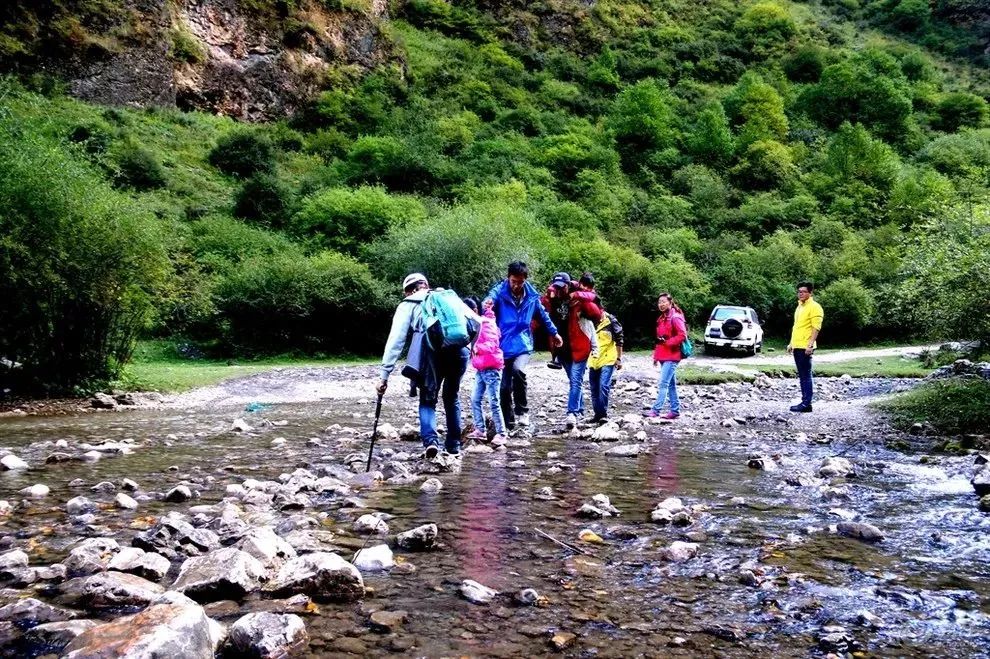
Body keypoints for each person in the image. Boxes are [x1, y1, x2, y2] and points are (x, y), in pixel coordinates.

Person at [377, 273, 473, 459]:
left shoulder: (409, 304)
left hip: (432, 352)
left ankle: (431, 442)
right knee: (451, 397)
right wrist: (470, 349)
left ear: (408, 290)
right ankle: (453, 446)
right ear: (426, 285)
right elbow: (475, 322)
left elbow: (396, 340)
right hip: (461, 350)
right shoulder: (448, 297)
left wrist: (384, 375)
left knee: (428, 400)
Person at [483, 261, 562, 430]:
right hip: (502, 345)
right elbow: (490, 299)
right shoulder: (499, 293)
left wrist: (554, 333)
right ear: (508, 278)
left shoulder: (532, 297)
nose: (517, 286)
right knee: (504, 387)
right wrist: (487, 303)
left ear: (525, 280)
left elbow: (543, 315)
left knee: (519, 371)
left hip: (523, 342)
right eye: (513, 281)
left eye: (520, 282)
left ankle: (522, 411)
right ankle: (508, 422)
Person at [543, 273, 603, 429]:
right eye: (556, 286)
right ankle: (580, 409)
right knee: (573, 381)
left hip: (579, 346)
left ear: (568, 285)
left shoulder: (579, 297)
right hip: (561, 348)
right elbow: (540, 309)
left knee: (576, 381)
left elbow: (597, 312)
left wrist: (576, 296)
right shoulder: (551, 296)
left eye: (562, 286)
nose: (559, 289)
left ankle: (572, 413)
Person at [463, 298, 507, 443]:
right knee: (475, 399)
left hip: (492, 367)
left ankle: (502, 433)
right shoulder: (476, 323)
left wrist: (477, 348)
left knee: (494, 401)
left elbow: (492, 344)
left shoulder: (486, 324)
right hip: (480, 368)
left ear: (474, 311)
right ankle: (480, 430)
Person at [645, 292, 687, 419]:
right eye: (659, 302)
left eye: (663, 301)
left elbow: (682, 335)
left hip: (673, 356)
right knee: (671, 384)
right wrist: (656, 357)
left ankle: (655, 410)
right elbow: (659, 340)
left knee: (663, 384)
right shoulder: (661, 318)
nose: (661, 304)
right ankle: (675, 410)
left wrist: (668, 343)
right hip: (663, 355)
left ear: (670, 302)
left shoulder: (676, 317)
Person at [787, 281, 824, 413]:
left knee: (805, 375)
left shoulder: (815, 307)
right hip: (798, 345)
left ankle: (806, 404)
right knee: (802, 375)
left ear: (810, 292)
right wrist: (791, 343)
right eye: (799, 291)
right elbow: (796, 327)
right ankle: (805, 401)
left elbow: (816, 327)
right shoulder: (799, 307)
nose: (800, 294)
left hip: (805, 346)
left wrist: (810, 345)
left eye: (803, 291)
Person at [588, 307, 624, 424]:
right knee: (594, 388)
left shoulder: (611, 321)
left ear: (601, 310)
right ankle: (597, 415)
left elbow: (619, 339)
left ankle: (603, 414)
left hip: (608, 358)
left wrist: (619, 359)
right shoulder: (590, 321)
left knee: (603, 386)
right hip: (593, 359)